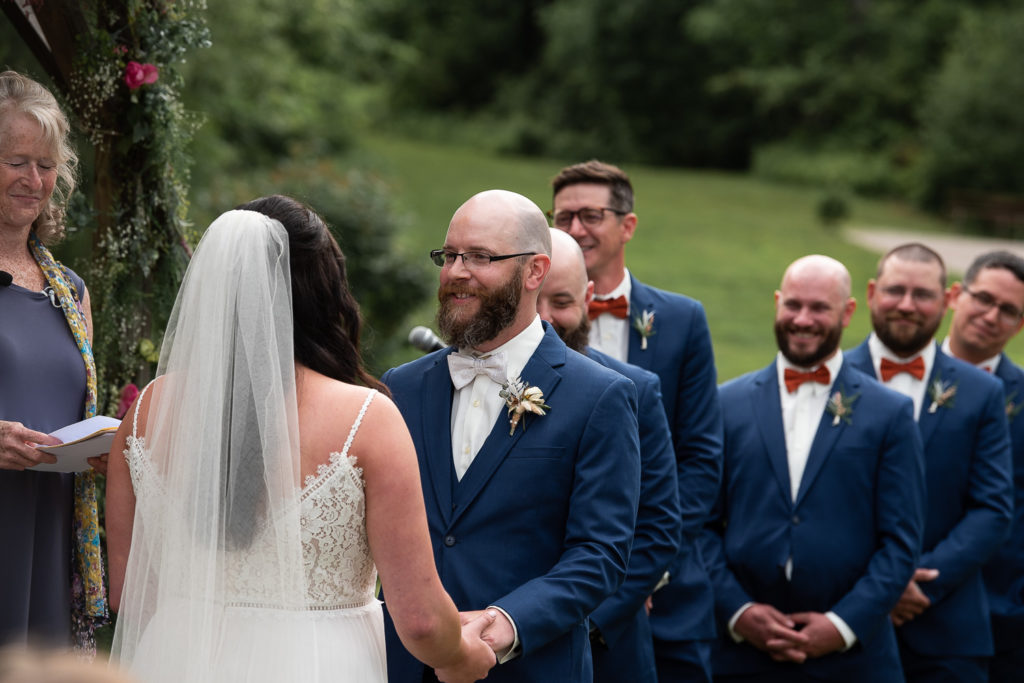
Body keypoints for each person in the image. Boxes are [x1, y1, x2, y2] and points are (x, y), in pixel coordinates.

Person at [105, 196, 496, 683]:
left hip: (172, 658)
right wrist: (461, 655)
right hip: (314, 665)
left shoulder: (146, 411)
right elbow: (418, 619)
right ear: (323, 292)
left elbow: (124, 592)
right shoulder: (365, 419)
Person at [381, 189, 642, 682]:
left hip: (530, 668)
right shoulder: (403, 387)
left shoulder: (600, 397)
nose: (458, 271)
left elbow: (599, 554)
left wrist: (503, 624)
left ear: (534, 272)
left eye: (481, 256)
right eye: (450, 255)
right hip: (403, 666)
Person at [704, 255, 925, 681]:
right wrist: (738, 610)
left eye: (819, 308)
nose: (802, 319)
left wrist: (842, 625)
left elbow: (901, 543)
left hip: (855, 660)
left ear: (848, 313)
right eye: (793, 305)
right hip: (740, 657)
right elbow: (700, 526)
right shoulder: (724, 404)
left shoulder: (891, 413)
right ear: (777, 303)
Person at [550, 160, 721, 681]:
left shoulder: (682, 320)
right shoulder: (529, 321)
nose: (576, 229)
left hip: (663, 587)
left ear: (627, 225)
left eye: (590, 215)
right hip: (561, 576)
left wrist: (640, 577)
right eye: (563, 217)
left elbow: (701, 459)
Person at [846, 242, 1013, 683]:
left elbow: (992, 507)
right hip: (844, 623)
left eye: (922, 295)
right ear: (871, 292)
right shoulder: (833, 380)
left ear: (945, 300)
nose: (906, 305)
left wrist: (921, 583)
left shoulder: (982, 393)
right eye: (895, 290)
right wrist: (877, 590)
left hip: (947, 630)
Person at [537, 228, 680, 682]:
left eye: (561, 303)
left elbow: (657, 527)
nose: (546, 321)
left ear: (590, 297)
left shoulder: (636, 389)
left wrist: (583, 621)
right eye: (534, 302)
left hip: (605, 641)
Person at [0, 70, 106, 651]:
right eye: (17, 161)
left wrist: (101, 449)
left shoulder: (70, 290)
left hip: (51, 528)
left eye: (45, 165)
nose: (34, 180)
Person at [942, 250, 1024, 682]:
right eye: (983, 299)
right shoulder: (886, 380)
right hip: (879, 611)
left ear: (1020, 324)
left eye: (1008, 310)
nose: (992, 316)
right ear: (956, 295)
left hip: (997, 621)